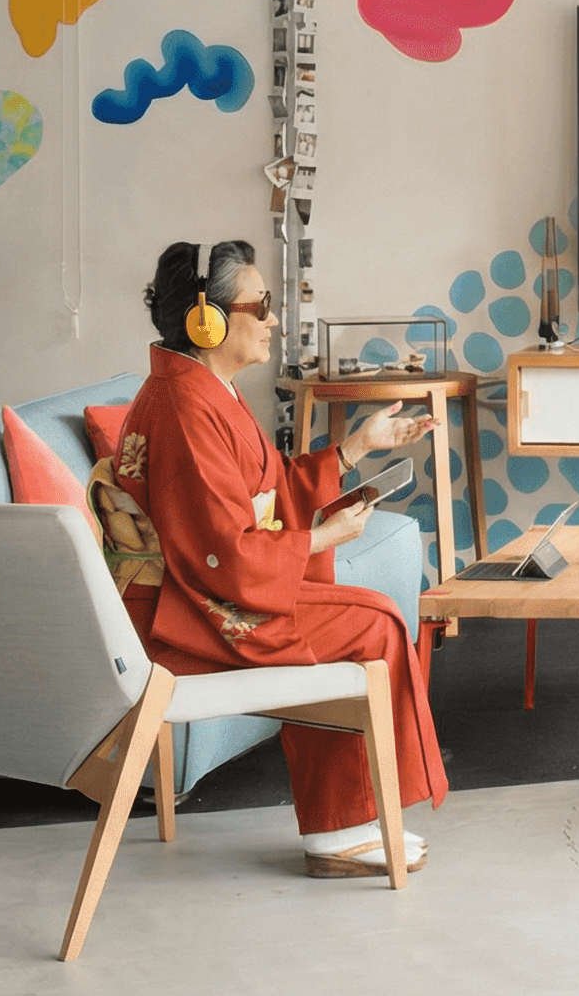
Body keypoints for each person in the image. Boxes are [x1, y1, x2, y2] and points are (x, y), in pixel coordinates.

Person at [108, 240, 448, 877]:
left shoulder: (205, 392)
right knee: (372, 624)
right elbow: (225, 550)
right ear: (208, 319)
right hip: (182, 614)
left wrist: (353, 450)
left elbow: (264, 497)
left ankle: (344, 824)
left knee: (364, 619)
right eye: (260, 306)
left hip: (202, 589)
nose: (271, 321)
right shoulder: (185, 408)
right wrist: (321, 540)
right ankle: (339, 832)